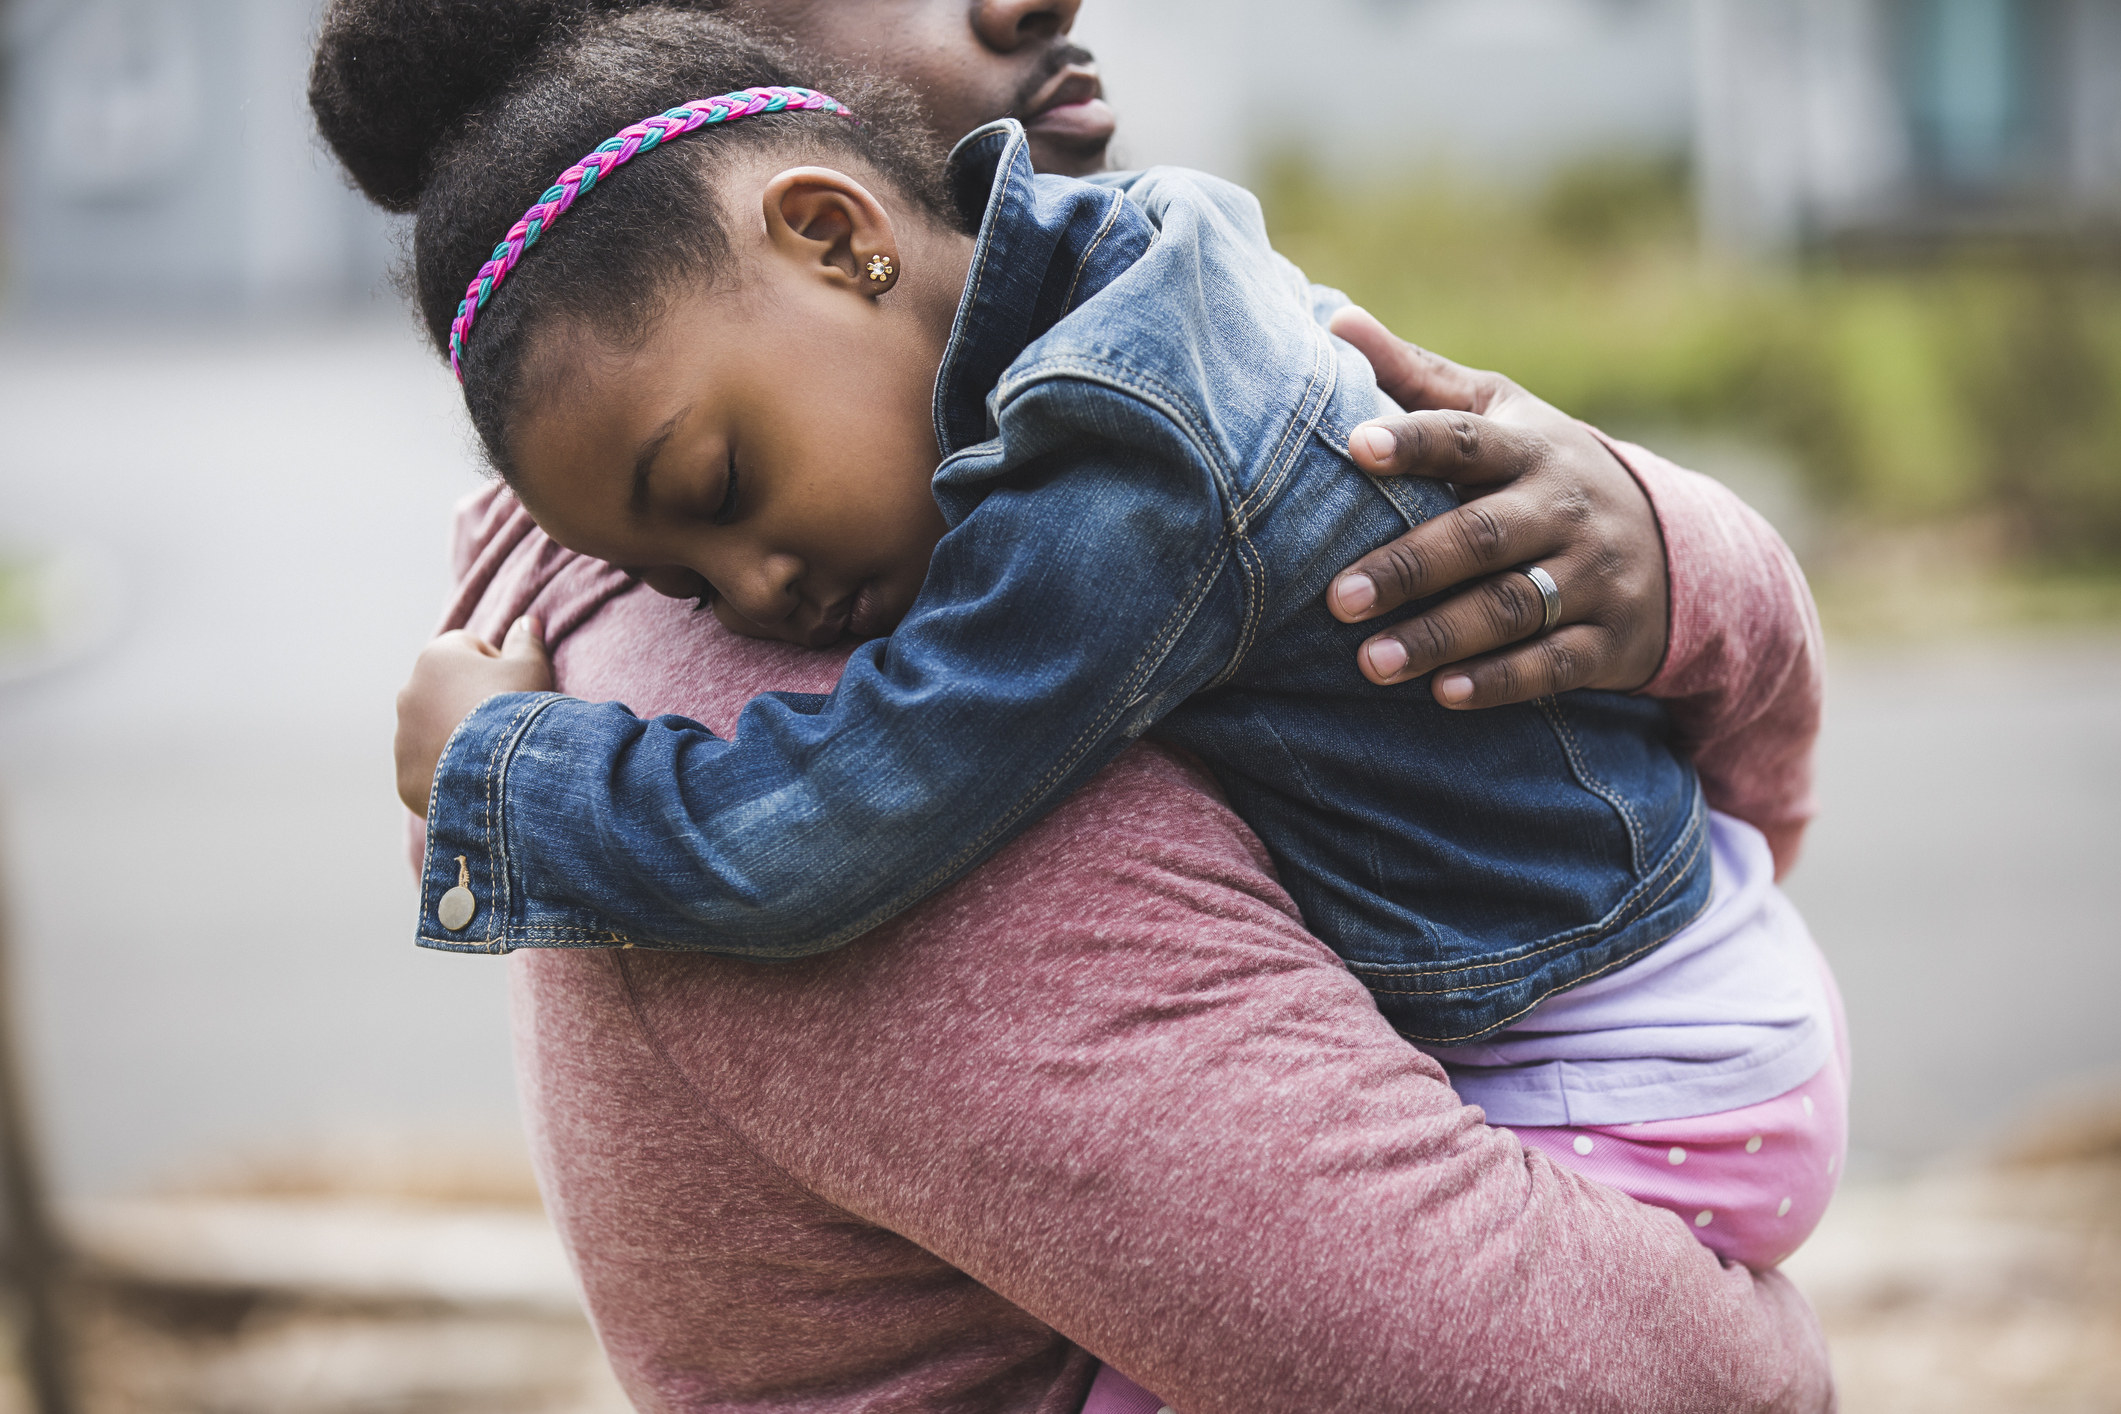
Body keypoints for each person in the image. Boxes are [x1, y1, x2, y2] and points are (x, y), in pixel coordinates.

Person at [312, 1, 1833, 1407]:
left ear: (836, 232)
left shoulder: (1074, 406)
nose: (754, 595)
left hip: (1625, 1026)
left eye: (721, 498)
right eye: (690, 564)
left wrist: (503, 783)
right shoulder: (862, 510)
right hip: (1650, 1000)